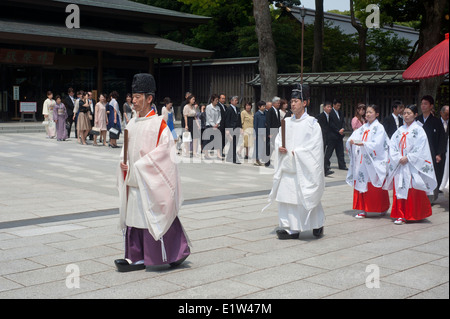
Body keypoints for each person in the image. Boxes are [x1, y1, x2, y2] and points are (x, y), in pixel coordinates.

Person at [115, 73, 190, 272]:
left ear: (149, 98)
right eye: (133, 96)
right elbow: (126, 152)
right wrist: (123, 165)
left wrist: (141, 166)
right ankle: (136, 257)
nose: (134, 100)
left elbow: (165, 154)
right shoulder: (131, 123)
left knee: (153, 215)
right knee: (134, 218)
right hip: (134, 180)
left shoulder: (159, 124)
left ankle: (174, 253)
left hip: (149, 181)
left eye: (138, 96)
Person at [263, 84, 325, 239]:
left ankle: (317, 223)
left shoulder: (312, 123)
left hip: (302, 166)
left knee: (304, 195)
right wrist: (280, 147)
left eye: (296, 101)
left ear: (305, 103)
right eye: (291, 101)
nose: (293, 104)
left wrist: (298, 153)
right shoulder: (287, 122)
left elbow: (315, 146)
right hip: (287, 166)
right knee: (287, 198)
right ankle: (290, 227)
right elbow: (279, 140)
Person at [384, 104, 437, 225]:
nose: (406, 115)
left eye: (409, 113)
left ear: (415, 115)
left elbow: (421, 148)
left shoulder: (419, 130)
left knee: (413, 189)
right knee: (400, 188)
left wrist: (408, 157)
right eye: (404, 113)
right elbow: (392, 146)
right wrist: (398, 157)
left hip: (412, 165)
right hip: (400, 164)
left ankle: (415, 214)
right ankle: (401, 215)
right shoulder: (399, 131)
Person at [346, 104, 390, 219]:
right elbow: (353, 137)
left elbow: (379, 144)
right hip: (361, 162)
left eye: (371, 112)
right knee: (361, 181)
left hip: (373, 162)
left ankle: (381, 207)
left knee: (374, 183)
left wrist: (364, 144)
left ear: (377, 114)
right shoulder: (363, 128)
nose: (368, 114)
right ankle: (362, 209)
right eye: (367, 112)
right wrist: (350, 142)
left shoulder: (379, 128)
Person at [416, 95, 446, 203]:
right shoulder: (417, 120)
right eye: (422, 104)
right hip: (419, 154)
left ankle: (431, 198)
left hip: (432, 153)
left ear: (431, 106)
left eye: (426, 104)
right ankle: (420, 197)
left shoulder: (436, 121)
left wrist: (439, 153)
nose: (423, 106)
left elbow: (442, 138)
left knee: (432, 174)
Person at [324, 98, 348, 171]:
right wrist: (338, 130)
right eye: (337, 105)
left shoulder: (340, 113)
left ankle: (342, 165)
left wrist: (343, 128)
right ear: (334, 105)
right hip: (332, 135)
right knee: (329, 152)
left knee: (340, 151)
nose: (338, 107)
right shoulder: (330, 113)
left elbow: (343, 122)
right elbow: (331, 124)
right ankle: (326, 165)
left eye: (339, 106)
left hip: (339, 136)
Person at [316, 101, 333, 176]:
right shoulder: (320, 116)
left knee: (327, 154)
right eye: (328, 107)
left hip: (329, 138)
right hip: (322, 138)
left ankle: (326, 168)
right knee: (321, 154)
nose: (329, 108)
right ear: (324, 107)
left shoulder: (331, 116)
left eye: (330, 107)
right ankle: (323, 170)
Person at [225, 96, 242, 164]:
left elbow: (239, 119)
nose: (236, 101)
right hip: (231, 128)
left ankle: (229, 157)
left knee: (234, 143)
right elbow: (227, 120)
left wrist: (240, 128)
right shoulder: (229, 109)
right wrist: (227, 129)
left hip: (237, 128)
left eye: (237, 100)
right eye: (235, 100)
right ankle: (234, 159)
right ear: (231, 101)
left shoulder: (238, 109)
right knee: (233, 144)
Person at [265, 97, 281, 167]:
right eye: (278, 103)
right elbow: (268, 122)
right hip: (271, 132)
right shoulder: (270, 110)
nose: (279, 104)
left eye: (279, 103)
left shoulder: (277, 110)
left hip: (276, 131)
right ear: (274, 103)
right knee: (269, 147)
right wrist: (269, 133)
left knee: (275, 146)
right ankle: (267, 161)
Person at [204, 94, 221, 159]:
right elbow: (209, 117)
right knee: (208, 140)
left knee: (218, 140)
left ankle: (219, 154)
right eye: (216, 100)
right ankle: (206, 154)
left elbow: (219, 117)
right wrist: (213, 125)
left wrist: (217, 124)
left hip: (217, 126)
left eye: (217, 100)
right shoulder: (208, 107)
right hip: (209, 126)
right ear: (212, 100)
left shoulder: (218, 107)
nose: (217, 101)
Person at [253, 101, 266, 166]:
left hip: (263, 132)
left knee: (261, 147)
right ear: (259, 107)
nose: (264, 107)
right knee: (257, 147)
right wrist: (254, 134)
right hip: (258, 133)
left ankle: (259, 159)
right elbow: (255, 125)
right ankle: (256, 159)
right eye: (263, 106)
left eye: (264, 106)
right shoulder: (257, 114)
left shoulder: (264, 114)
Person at [217, 93, 227, 159]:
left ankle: (222, 151)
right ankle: (219, 152)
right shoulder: (218, 106)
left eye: (224, 98)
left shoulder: (225, 107)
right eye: (222, 98)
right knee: (220, 139)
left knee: (224, 139)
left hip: (225, 125)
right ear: (219, 99)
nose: (223, 100)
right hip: (220, 125)